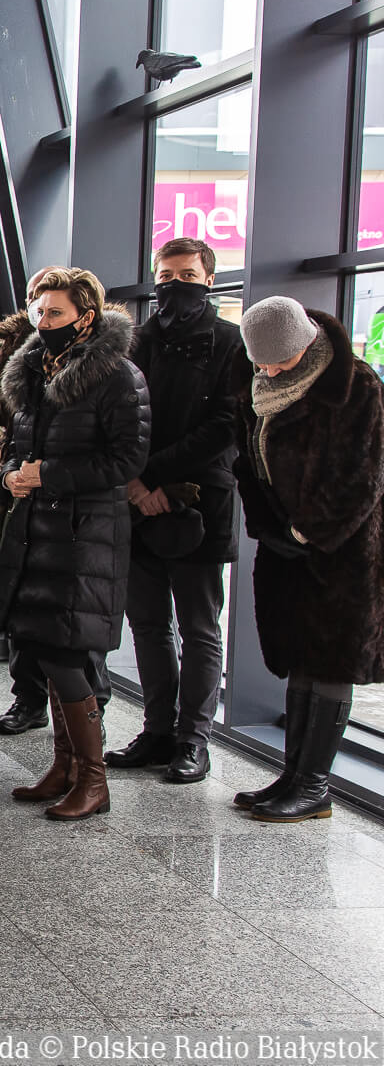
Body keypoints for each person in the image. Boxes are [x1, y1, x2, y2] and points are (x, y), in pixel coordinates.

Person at [0, 267, 150, 820]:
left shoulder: (118, 375)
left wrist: (48, 475)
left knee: (68, 654)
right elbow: (18, 445)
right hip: (39, 530)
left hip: (87, 535)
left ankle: (93, 780)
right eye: (38, 311)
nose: (43, 321)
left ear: (87, 316)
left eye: (55, 312)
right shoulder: (35, 369)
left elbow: (127, 459)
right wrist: (11, 476)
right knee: (43, 647)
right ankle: (65, 768)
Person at [232, 297, 384, 822]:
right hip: (286, 546)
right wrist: (272, 528)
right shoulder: (259, 383)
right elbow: (248, 460)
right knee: (300, 654)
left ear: (306, 343)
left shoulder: (357, 386)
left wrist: (306, 531)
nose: (270, 372)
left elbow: (362, 477)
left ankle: (315, 786)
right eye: (262, 364)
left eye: (281, 362)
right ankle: (292, 776)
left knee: (332, 658)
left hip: (343, 551)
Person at [106, 238, 250, 784]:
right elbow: (115, 415)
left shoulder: (231, 342)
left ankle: (194, 739)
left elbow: (226, 425)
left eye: (186, 274)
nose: (174, 284)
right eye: (165, 275)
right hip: (137, 498)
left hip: (199, 501)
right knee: (147, 625)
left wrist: (156, 479)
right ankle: (157, 731)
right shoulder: (136, 340)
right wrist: (135, 483)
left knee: (199, 627)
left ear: (209, 280)